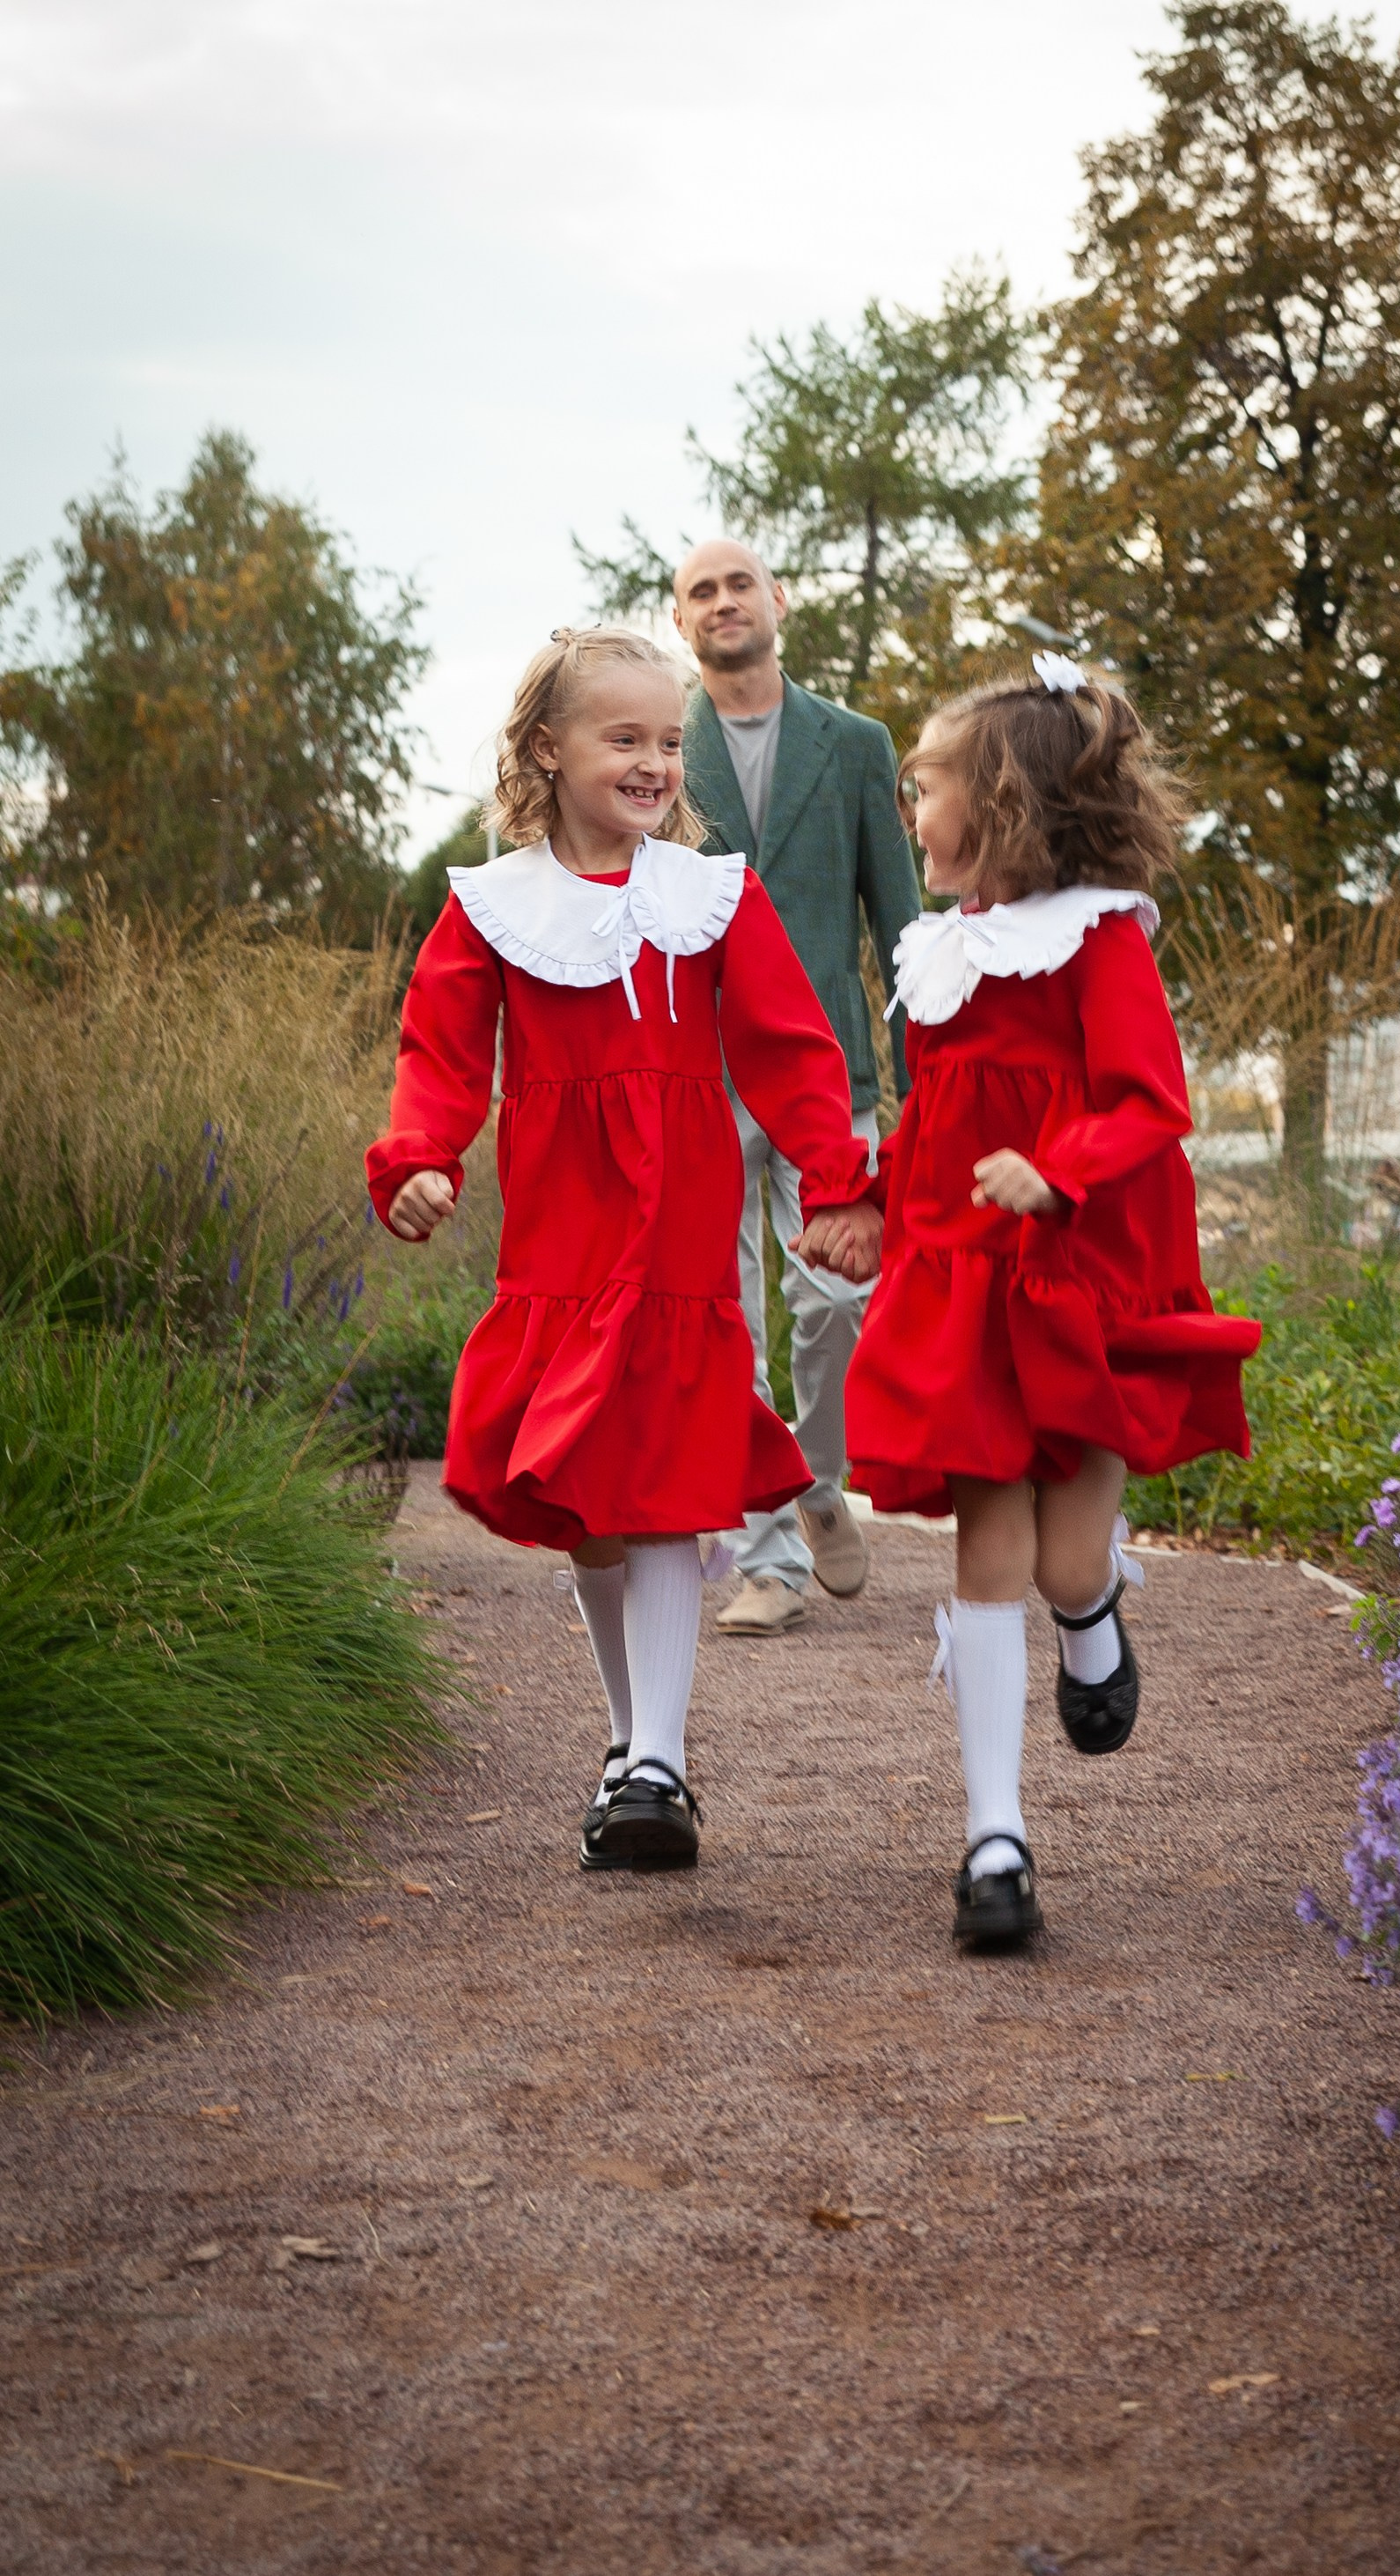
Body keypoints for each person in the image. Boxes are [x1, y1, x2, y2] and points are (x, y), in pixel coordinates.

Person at [366, 627, 882, 1874]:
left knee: (656, 1486)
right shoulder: (492, 905)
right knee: (593, 1508)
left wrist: (836, 1177)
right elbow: (441, 1054)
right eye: (625, 738)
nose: (655, 762)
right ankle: (626, 1738)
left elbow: (791, 1046)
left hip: (680, 1240)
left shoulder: (708, 893)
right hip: (560, 1238)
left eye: (668, 742)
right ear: (548, 749)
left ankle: (656, 1763)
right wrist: (422, 1158)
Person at [841, 657, 1262, 1949]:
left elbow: (1150, 1104)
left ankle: (1093, 1618)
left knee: (1067, 1560)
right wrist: (867, 1197)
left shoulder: (1100, 937)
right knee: (986, 1551)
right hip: (959, 1279)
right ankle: (994, 1839)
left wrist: (1055, 1170)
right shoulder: (941, 950)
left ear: (1002, 801)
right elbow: (930, 1116)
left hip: (1074, 1276)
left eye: (927, 788)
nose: (913, 812)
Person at [672, 539, 921, 1635]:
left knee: (836, 1303)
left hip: (831, 1073)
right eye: (700, 591)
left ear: (780, 601)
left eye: (739, 584)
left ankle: (816, 1484)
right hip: (697, 1075)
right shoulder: (660, 746)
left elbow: (900, 919)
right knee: (726, 1314)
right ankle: (769, 1559)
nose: (724, 603)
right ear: (681, 622)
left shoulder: (857, 746)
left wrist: (923, 1078)